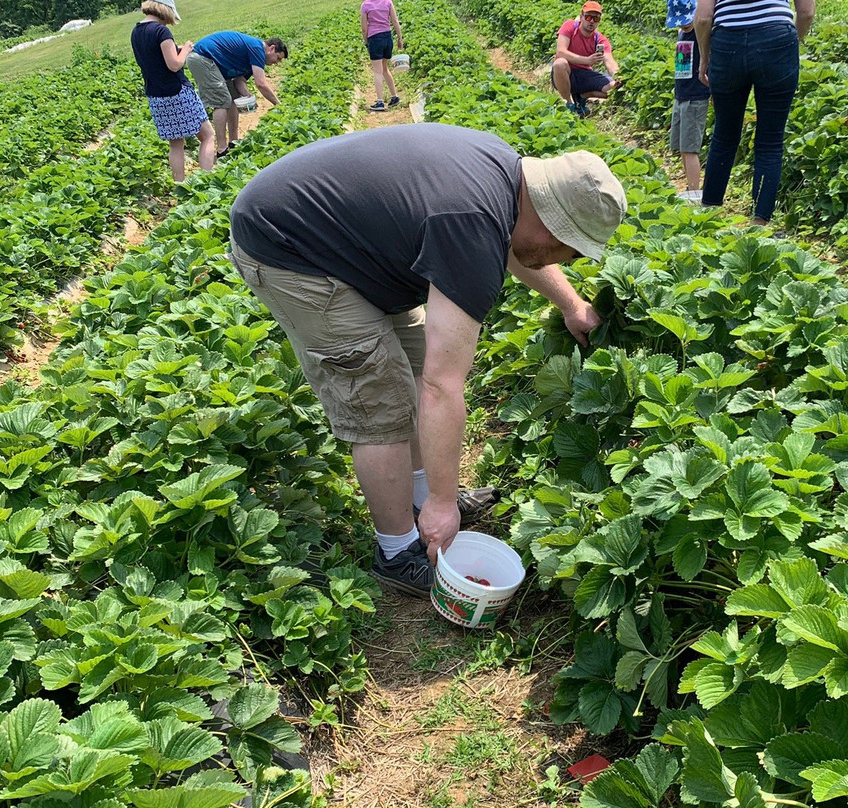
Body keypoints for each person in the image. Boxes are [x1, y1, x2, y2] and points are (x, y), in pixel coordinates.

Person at [229, 123, 626, 597]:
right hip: (288, 248)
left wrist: (569, 304)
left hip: (341, 241)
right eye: (570, 248)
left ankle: (420, 502)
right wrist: (445, 501)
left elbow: (521, 247)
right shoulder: (472, 223)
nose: (569, 260)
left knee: (413, 365)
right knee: (379, 403)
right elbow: (443, 385)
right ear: (551, 220)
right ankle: (396, 551)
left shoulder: (508, 178)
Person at [693, 0, 815, 223]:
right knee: (770, 141)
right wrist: (789, 44)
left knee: (724, 135)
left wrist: (704, 58)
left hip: (727, 41)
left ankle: (708, 216)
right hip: (777, 35)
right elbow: (806, 13)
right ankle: (759, 224)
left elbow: (702, 18)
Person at [130, 0, 214, 183]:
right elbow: (174, 65)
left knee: (176, 143)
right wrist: (185, 50)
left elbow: (154, 58)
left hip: (156, 96)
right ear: (165, 9)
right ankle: (207, 181)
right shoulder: (161, 31)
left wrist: (176, 51)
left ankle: (180, 184)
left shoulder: (136, 31)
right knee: (207, 135)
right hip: (176, 93)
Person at [186, 31, 288, 158]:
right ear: (271, 48)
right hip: (202, 58)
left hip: (215, 64)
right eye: (277, 58)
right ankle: (222, 150)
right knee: (222, 101)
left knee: (234, 97)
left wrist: (247, 94)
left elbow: (239, 81)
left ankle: (233, 142)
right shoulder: (257, 48)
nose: (276, 62)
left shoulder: (255, 54)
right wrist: (278, 105)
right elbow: (261, 83)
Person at [667, 0, 711, 202]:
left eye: (686, 20)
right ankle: (689, 187)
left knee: (690, 148)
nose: (683, 24)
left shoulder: (701, 33)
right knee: (681, 146)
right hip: (681, 95)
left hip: (696, 96)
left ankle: (695, 192)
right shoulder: (682, 32)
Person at [552, 1, 620, 118]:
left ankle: (582, 96)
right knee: (560, 63)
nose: (591, 21)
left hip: (585, 75)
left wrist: (618, 75)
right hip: (566, 74)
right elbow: (560, 52)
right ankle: (569, 103)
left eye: (596, 18)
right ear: (582, 16)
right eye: (588, 17)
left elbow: (609, 60)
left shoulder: (600, 39)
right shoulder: (569, 26)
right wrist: (587, 60)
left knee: (614, 87)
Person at [360, 0, 404, 112]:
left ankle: (380, 102)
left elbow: (364, 29)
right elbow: (394, 20)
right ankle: (394, 97)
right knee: (385, 69)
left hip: (375, 38)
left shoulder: (365, 5)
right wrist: (399, 38)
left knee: (377, 71)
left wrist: (366, 42)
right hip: (387, 37)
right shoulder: (388, 2)